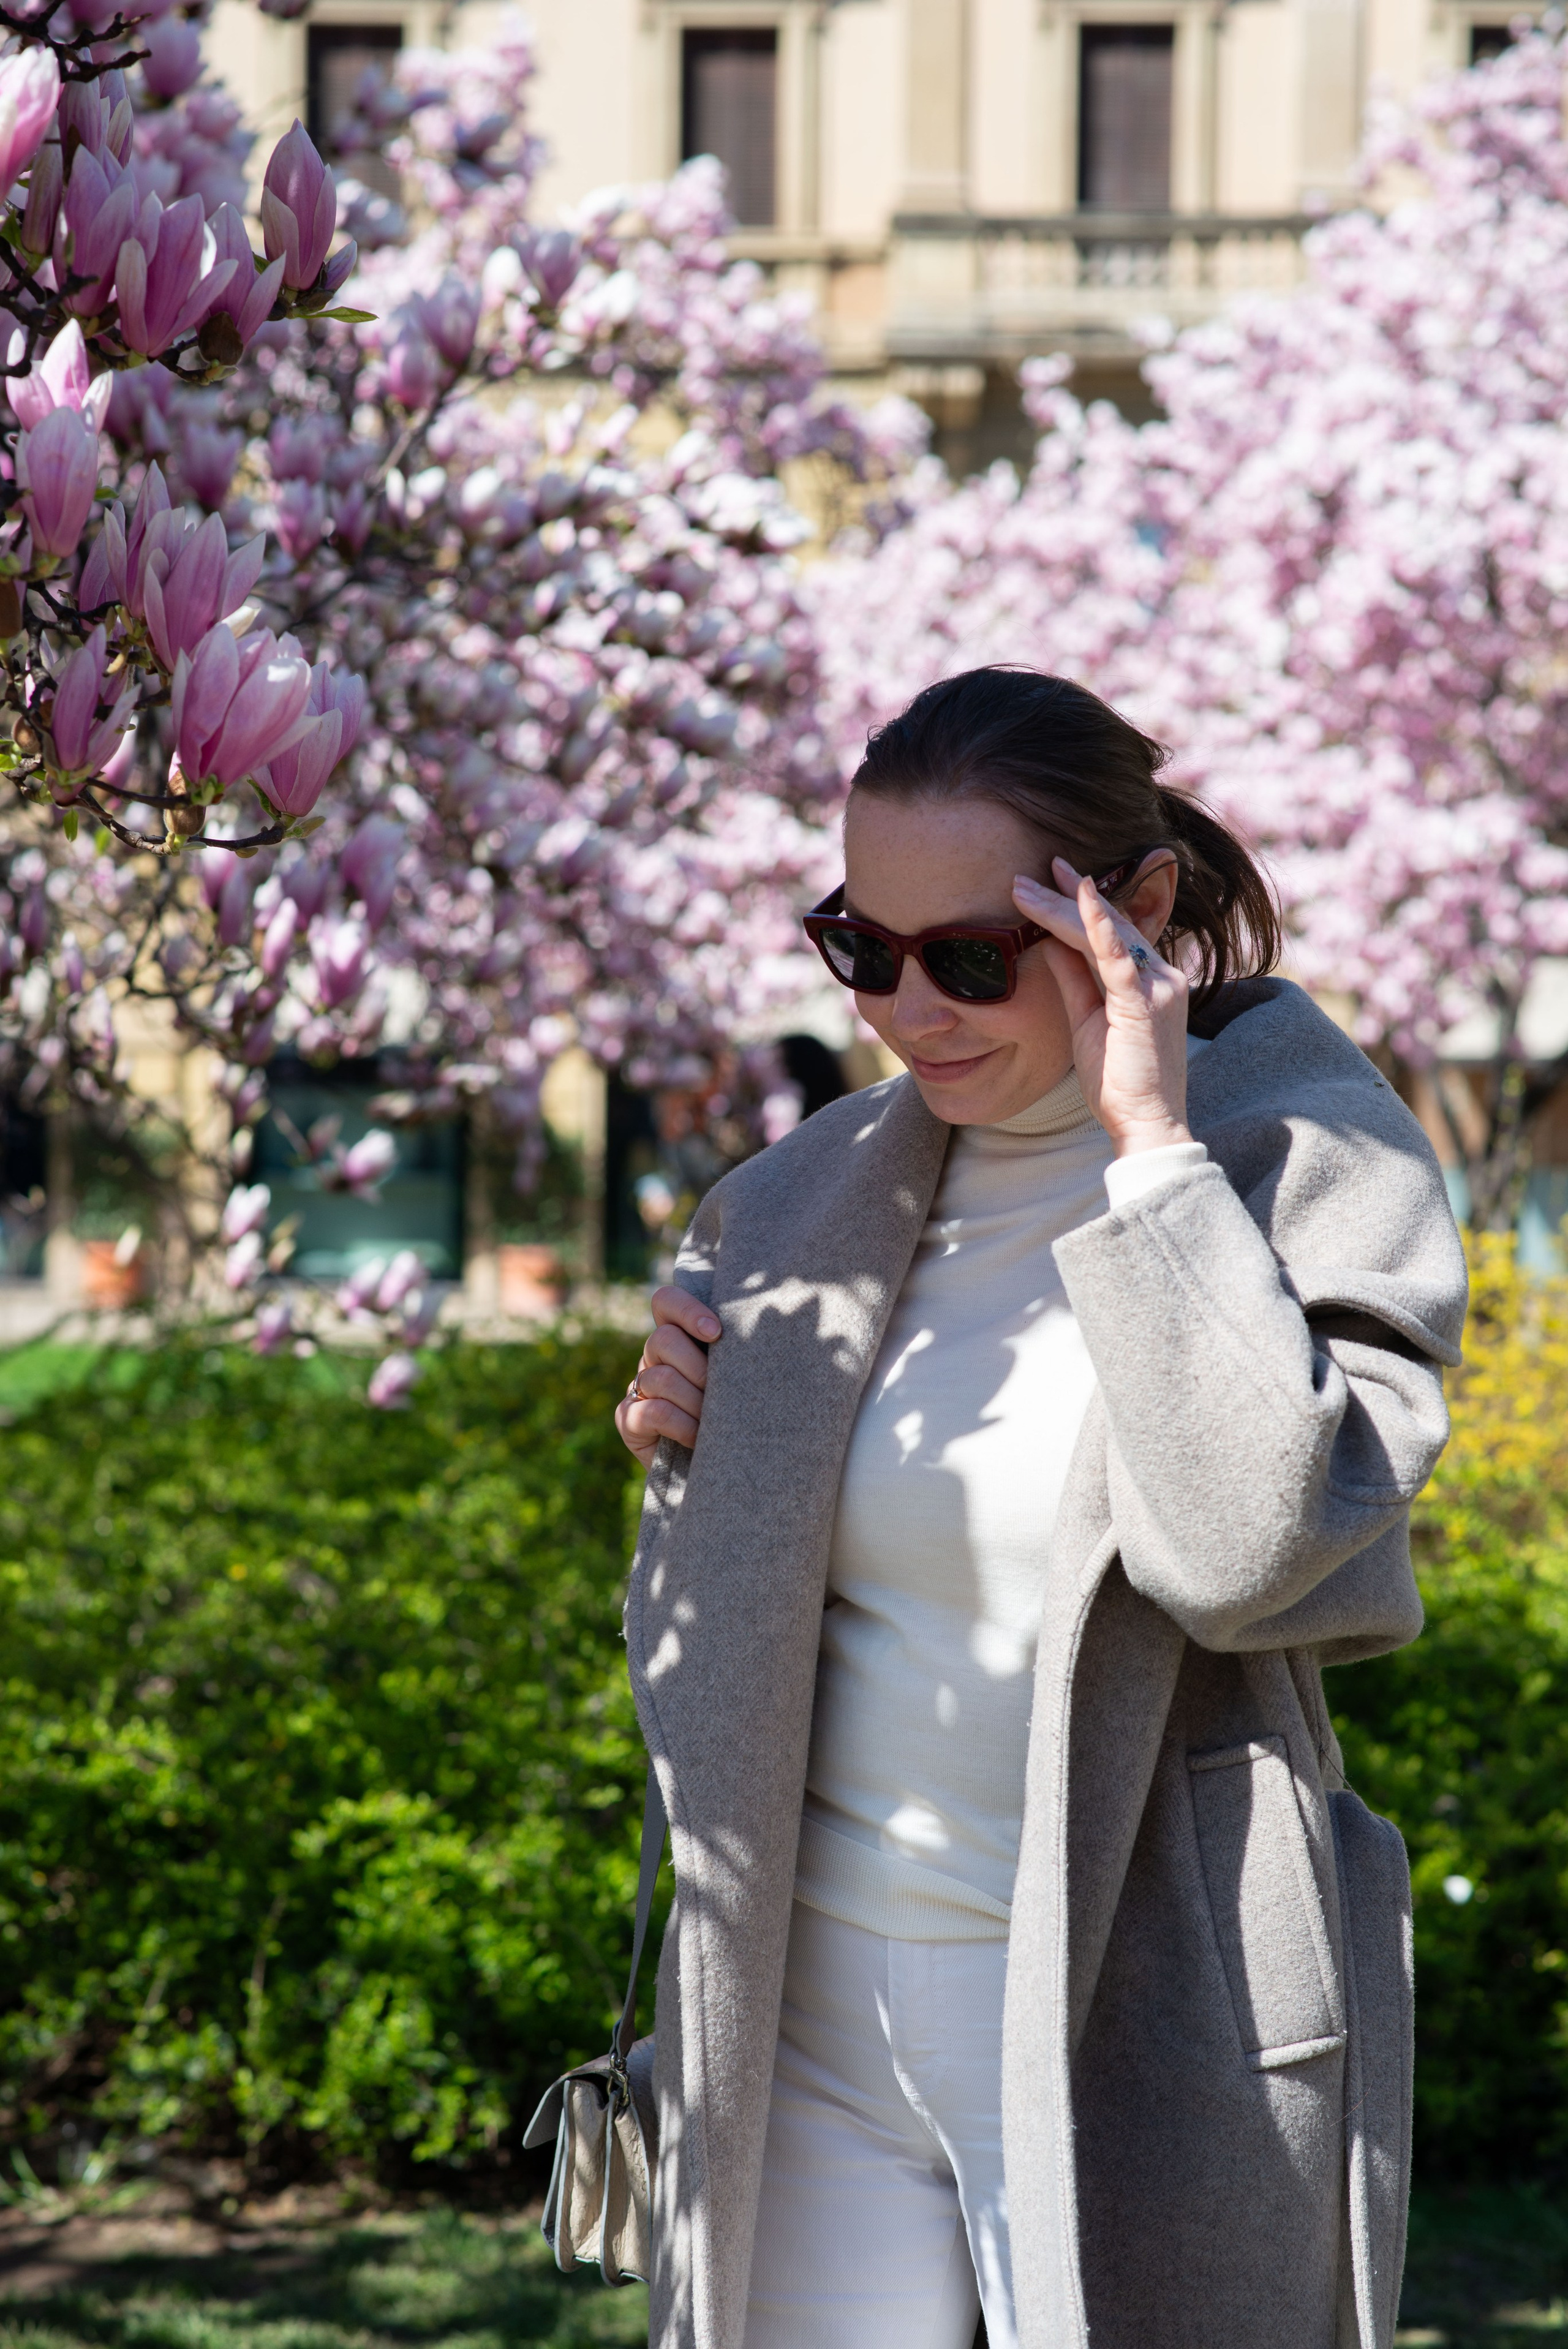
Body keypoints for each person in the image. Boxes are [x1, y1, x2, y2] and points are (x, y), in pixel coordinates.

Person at [614, 668, 1467, 2349]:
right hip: (806, 2016)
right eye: (862, 946)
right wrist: (681, 1462)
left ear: (1134, 907)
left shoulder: (1306, 1165)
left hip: (1129, 2009)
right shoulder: (792, 1206)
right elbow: (703, 1661)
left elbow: (1253, 1549)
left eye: (973, 956)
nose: (907, 1005)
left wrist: (1150, 1152)